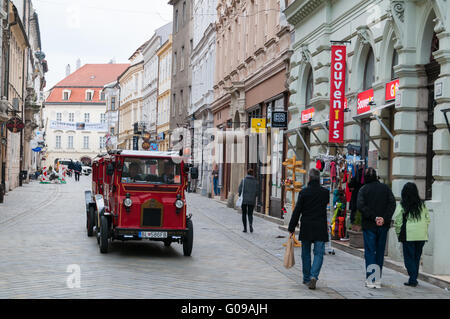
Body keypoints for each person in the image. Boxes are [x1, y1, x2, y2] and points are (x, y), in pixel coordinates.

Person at [288, 168, 329, 290]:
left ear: (309, 178)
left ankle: (306, 278)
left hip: (307, 226)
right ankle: (314, 276)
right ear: (319, 178)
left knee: (306, 253)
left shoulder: (304, 192)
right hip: (320, 226)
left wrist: (291, 227)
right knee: (319, 253)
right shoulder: (325, 193)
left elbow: (297, 211)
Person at [357, 167, 396, 289]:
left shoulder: (363, 189)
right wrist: (384, 218)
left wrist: (374, 217)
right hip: (383, 225)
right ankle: (377, 279)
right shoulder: (385, 188)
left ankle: (370, 279)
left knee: (370, 252)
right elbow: (392, 203)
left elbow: (360, 205)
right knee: (379, 252)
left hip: (369, 225)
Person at [393, 182, 430, 287]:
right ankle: (413, 278)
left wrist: (398, 233)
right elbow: (428, 219)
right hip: (421, 235)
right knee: (416, 257)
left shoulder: (402, 205)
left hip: (409, 235)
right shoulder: (422, 205)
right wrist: (424, 229)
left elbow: (398, 221)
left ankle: (413, 279)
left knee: (409, 258)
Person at [238, 169, 258, 233]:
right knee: (250, 214)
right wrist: (254, 196)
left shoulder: (243, 180)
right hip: (252, 200)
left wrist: (240, 195)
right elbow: (257, 192)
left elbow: (240, 190)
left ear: (247, 173)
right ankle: (250, 225)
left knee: (244, 213)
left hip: (244, 200)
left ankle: (245, 228)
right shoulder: (255, 181)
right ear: (252, 174)